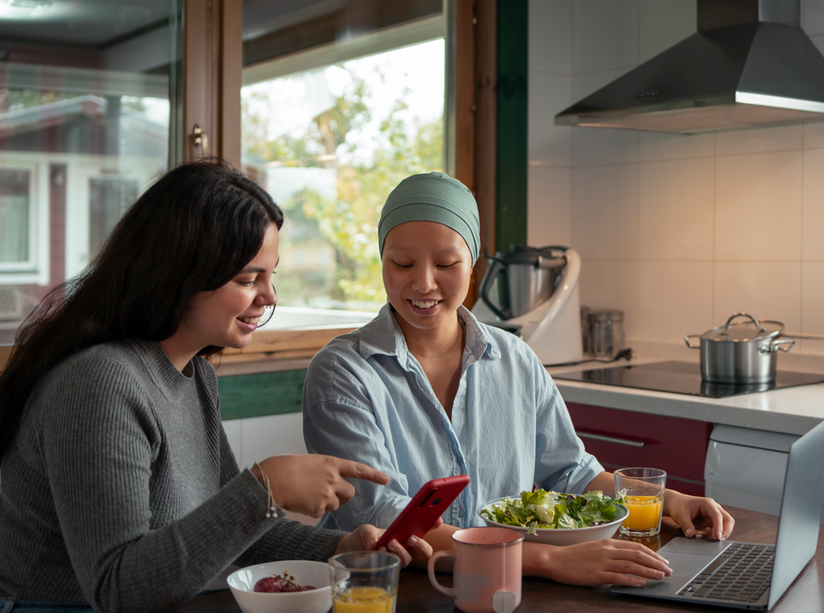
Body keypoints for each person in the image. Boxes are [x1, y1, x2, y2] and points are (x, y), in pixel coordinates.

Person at [0, 161, 432, 613]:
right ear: (179, 275)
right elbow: (118, 589)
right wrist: (265, 488)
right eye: (248, 279)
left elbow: (229, 534)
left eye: (271, 275)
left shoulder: (195, 375)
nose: (269, 296)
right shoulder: (99, 383)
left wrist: (342, 546)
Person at [303, 171, 735, 587]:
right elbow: (386, 520)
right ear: (382, 259)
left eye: (447, 263)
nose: (423, 282)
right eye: (401, 263)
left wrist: (668, 501)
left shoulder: (514, 358)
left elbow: (570, 471)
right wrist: (551, 560)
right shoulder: (343, 372)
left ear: (473, 265)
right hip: (392, 589)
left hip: (503, 587)